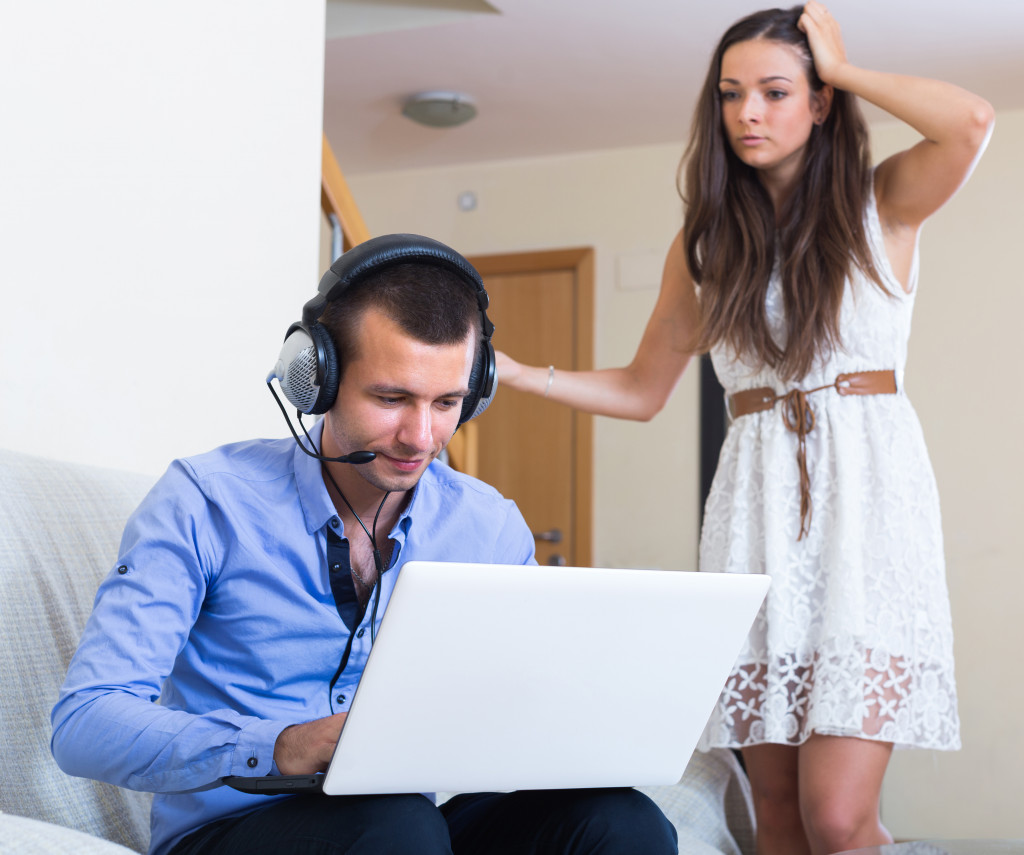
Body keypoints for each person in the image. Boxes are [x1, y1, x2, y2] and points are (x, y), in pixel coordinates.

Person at [496, 5, 994, 855]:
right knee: (777, 814)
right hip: (753, 517)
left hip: (865, 520)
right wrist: (512, 373)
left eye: (774, 91)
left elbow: (971, 122)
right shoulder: (706, 243)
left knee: (838, 816)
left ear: (821, 102)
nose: (747, 113)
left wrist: (845, 67)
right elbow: (641, 388)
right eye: (731, 95)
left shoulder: (884, 205)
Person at [51, 234, 678, 855]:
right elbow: (86, 722)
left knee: (622, 822)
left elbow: (530, 695)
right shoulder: (207, 501)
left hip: (409, 827)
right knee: (396, 826)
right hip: (239, 829)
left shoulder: (488, 526)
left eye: (447, 403)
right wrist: (285, 744)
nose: (421, 437)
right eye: (391, 398)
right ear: (317, 378)